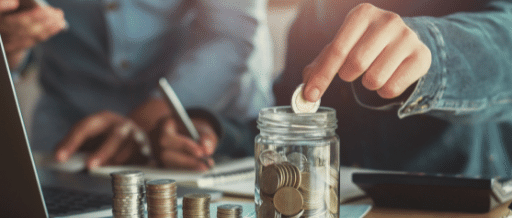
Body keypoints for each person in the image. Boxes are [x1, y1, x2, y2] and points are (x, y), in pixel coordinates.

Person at [1, 0, 274, 170]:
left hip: (201, 127)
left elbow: (229, 36)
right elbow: (20, 53)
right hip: (72, 135)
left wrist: (145, 122)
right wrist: (10, 45)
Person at [274, 0, 512, 178]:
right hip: (346, 214)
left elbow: (504, 39)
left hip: (462, 211)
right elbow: (285, 117)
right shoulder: (314, 12)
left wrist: (429, 49)